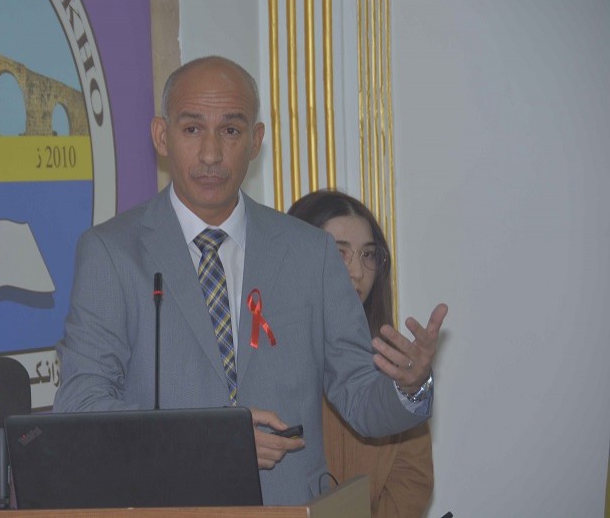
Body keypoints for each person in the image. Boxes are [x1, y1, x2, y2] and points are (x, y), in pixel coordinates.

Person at [53, 56, 447, 506]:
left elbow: (359, 397)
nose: (211, 154)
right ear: (161, 136)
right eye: (192, 129)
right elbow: (80, 404)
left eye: (230, 130)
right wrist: (216, 442)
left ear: (255, 140)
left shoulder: (310, 252)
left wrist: (409, 387)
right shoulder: (112, 253)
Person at [289, 189, 434, 517]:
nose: (356, 271)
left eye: (368, 254)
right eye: (338, 252)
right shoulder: (264, 359)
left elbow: (412, 480)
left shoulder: (395, 367)